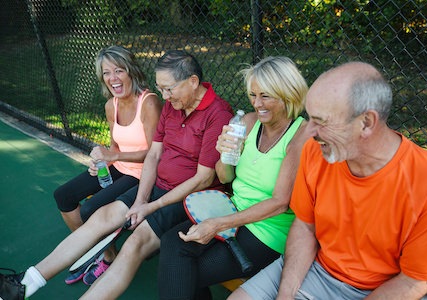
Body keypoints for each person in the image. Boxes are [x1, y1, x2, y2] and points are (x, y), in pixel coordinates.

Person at [0, 49, 233, 300]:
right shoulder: (172, 106)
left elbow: (203, 178)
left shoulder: (218, 114)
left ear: (193, 82)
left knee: (133, 245)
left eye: (169, 89)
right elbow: (154, 156)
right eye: (161, 88)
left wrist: (150, 206)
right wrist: (141, 200)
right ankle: (27, 282)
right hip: (157, 186)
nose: (165, 96)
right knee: (99, 218)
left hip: (188, 197)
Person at [229, 61, 427, 300]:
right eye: (310, 118)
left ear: (366, 122)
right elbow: (305, 226)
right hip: (314, 269)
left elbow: (416, 279)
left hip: (382, 289)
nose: (309, 131)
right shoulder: (315, 150)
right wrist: (286, 295)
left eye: (321, 121)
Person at [155, 56, 312, 300]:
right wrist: (227, 155)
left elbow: (280, 203)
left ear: (287, 94)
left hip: (268, 231)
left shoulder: (300, 136)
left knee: (185, 271)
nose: (256, 103)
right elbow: (225, 176)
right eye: (252, 94)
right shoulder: (248, 123)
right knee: (172, 243)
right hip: (231, 209)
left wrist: (219, 224)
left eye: (265, 96)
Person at [52, 45, 162, 285]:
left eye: (119, 71)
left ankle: (106, 256)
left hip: (142, 175)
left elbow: (156, 154)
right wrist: (101, 161)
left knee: (89, 210)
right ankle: (104, 251)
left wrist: (114, 157)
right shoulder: (110, 105)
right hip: (118, 167)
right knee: (63, 195)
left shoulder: (149, 102)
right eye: (106, 73)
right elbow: (115, 147)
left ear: (131, 71)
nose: (113, 79)